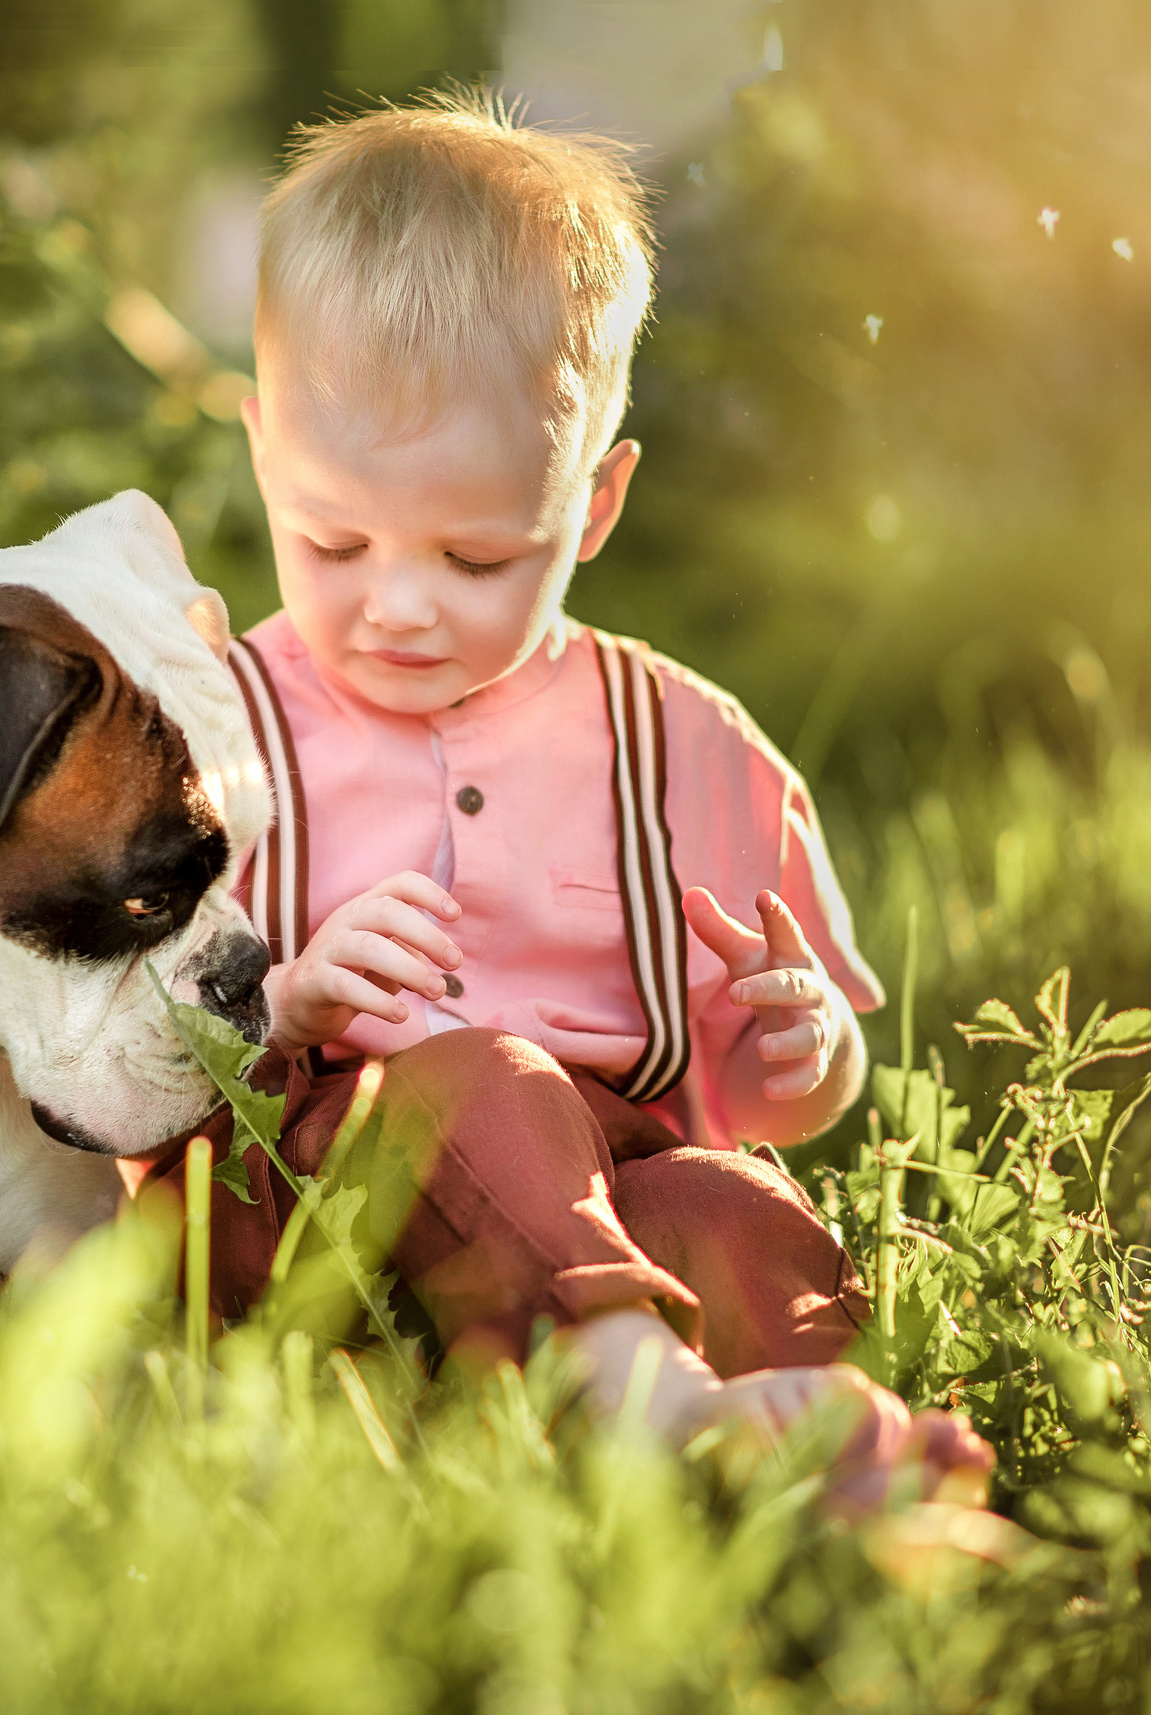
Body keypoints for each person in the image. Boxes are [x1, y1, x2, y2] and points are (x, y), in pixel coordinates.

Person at [134, 91, 991, 1507]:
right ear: (264, 452)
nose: (397, 606)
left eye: (475, 559)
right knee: (483, 1080)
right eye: (335, 539)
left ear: (592, 505)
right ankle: (635, 1393)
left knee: (727, 1205)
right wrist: (282, 1005)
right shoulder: (212, 735)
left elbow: (792, 1094)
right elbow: (123, 1045)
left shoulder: (684, 750)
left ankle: (826, 1456)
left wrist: (806, 1050)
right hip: (305, 1213)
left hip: (607, 1171)